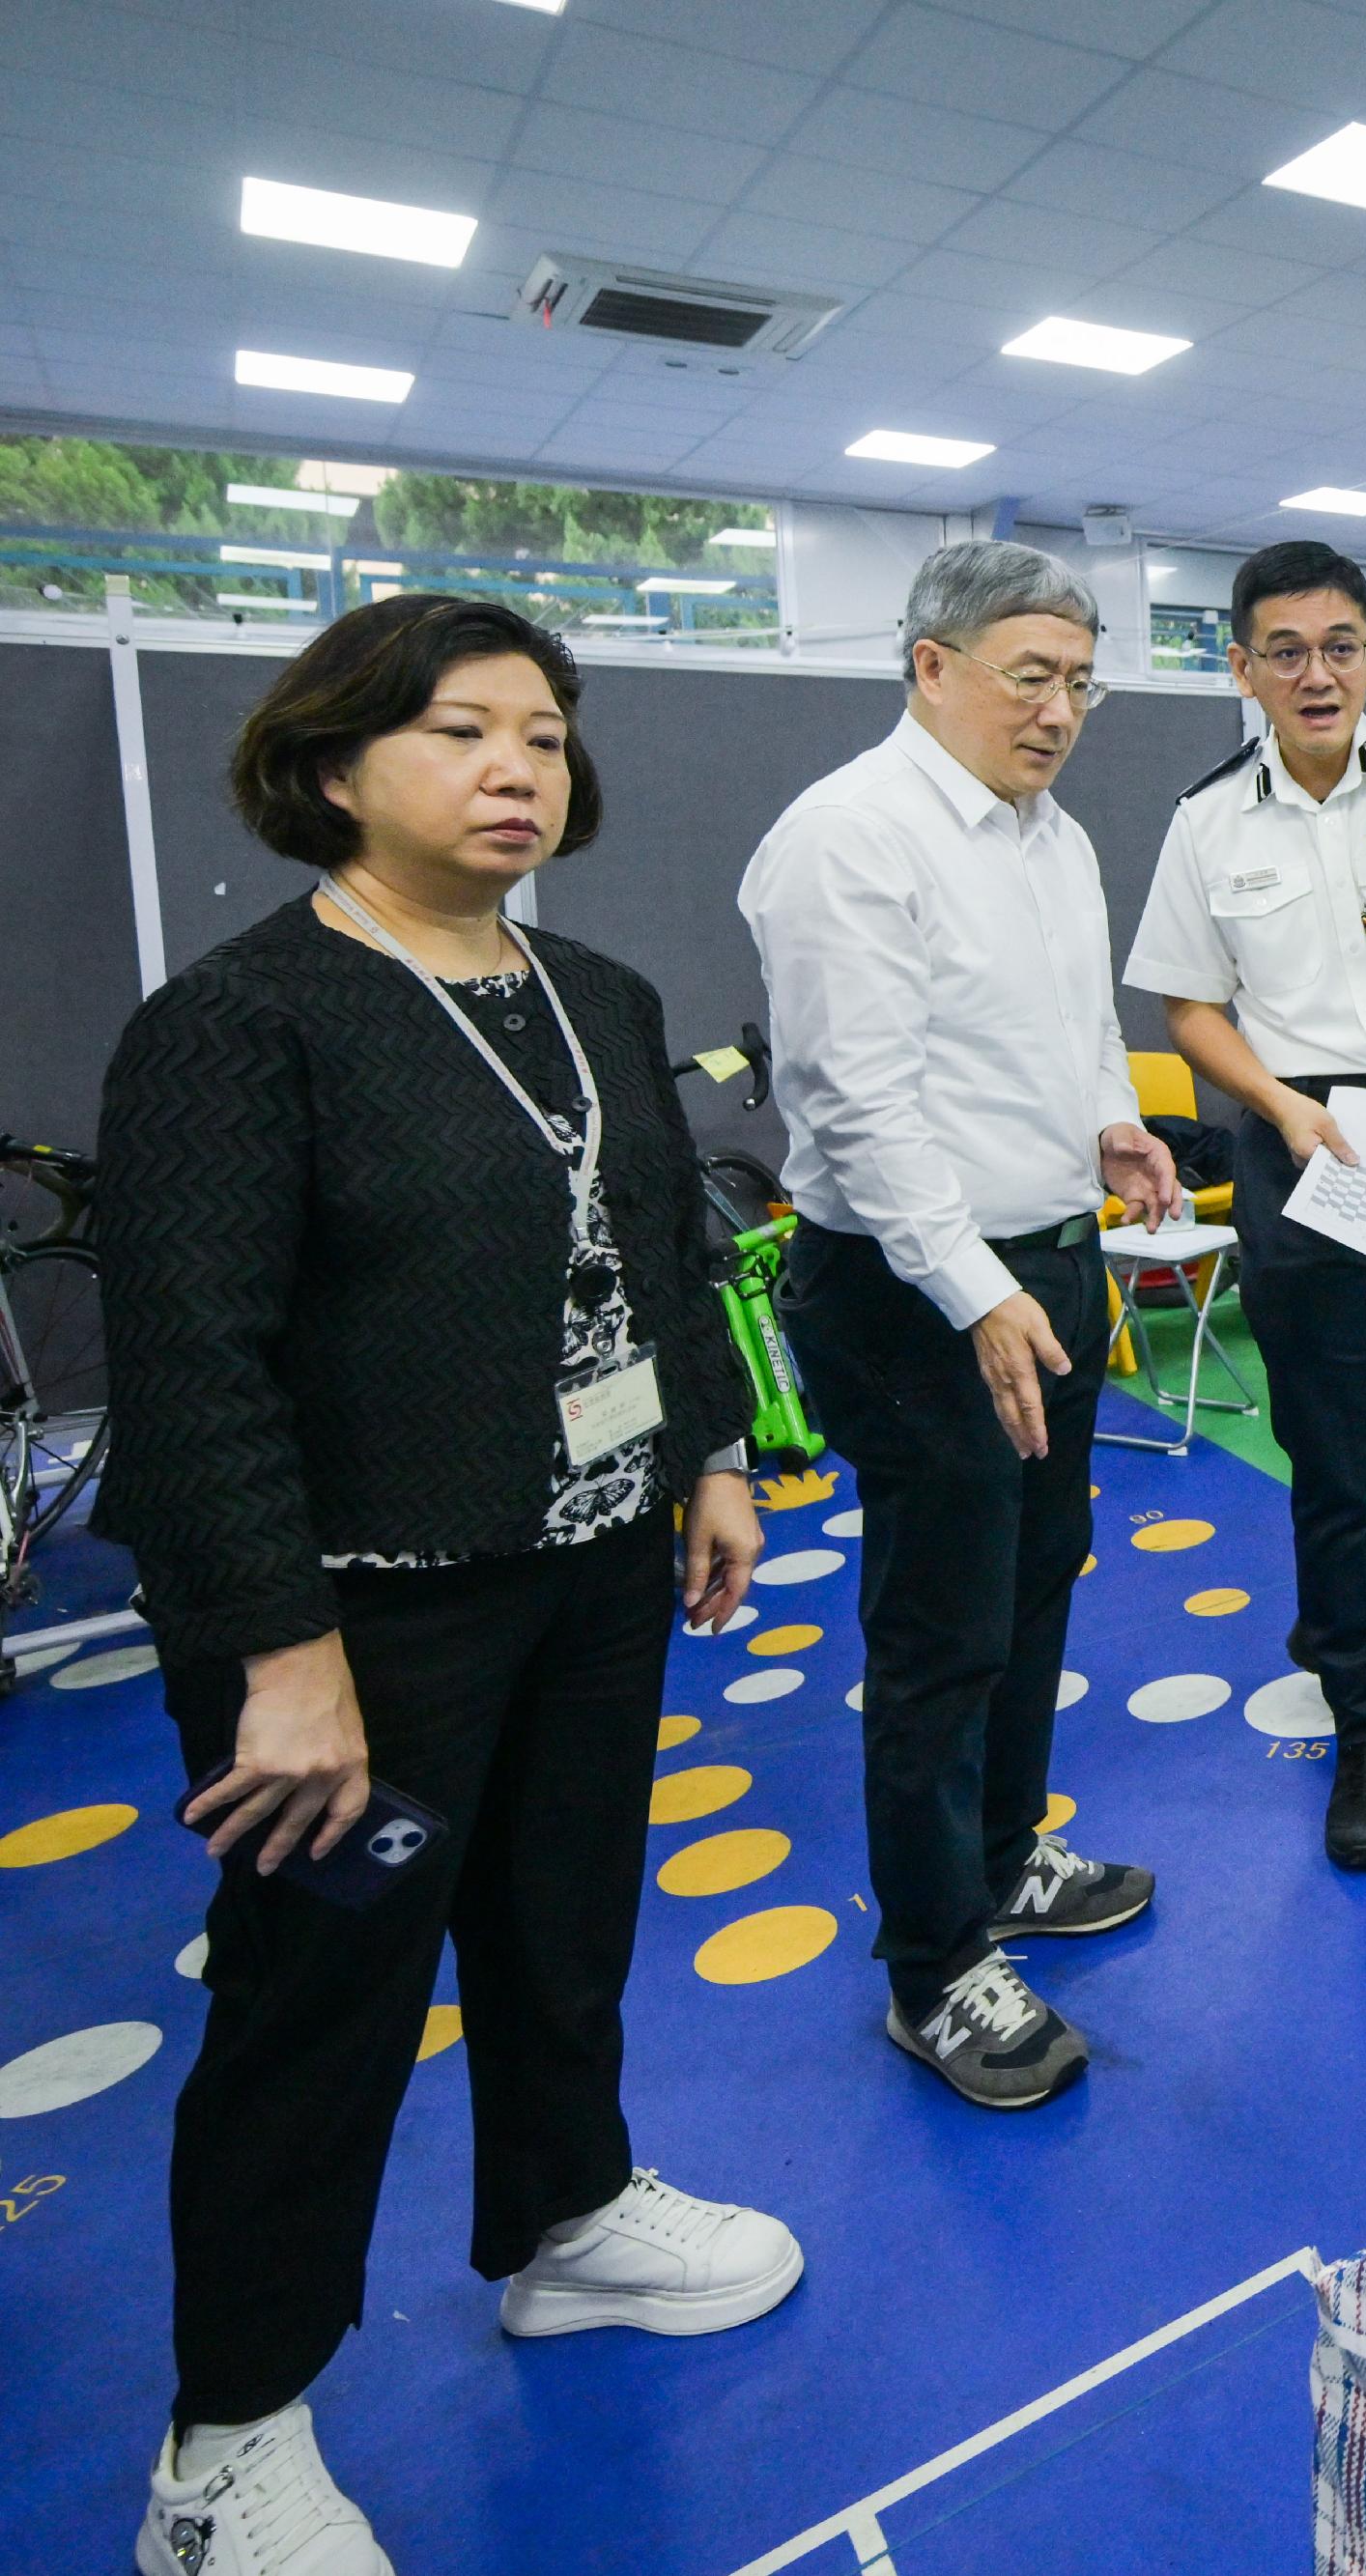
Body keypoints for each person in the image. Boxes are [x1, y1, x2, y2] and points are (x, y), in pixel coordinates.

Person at [97, 595, 798, 2576]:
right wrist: (280, 1653)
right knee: (318, 2007)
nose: (518, 769)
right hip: (359, 1621)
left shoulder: (599, 995)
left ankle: (568, 2220)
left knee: (564, 1925)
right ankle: (225, 2444)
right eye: (463, 732)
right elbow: (191, 1369)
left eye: (545, 736)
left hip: (589, 1574)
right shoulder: (240, 1023)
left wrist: (711, 1454)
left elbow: (661, 1254)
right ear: (333, 767)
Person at [740, 541, 1182, 2110]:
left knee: (1038, 1575)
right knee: (941, 1630)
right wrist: (975, 1285)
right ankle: (934, 1965)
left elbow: (1074, 1025)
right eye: (1031, 677)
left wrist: (1112, 1121)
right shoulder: (847, 839)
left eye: (1081, 684)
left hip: (1045, 1262)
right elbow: (856, 1102)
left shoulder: (1054, 837)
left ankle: (1004, 1858)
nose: (1059, 710)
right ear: (931, 665)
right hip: (914, 1290)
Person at [1123, 541, 1366, 1869]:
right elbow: (1187, 1005)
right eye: (1284, 651)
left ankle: (1354, 1633)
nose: (1316, 673)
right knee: (1337, 1440)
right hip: (1304, 1134)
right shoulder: (1206, 821)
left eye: (1341, 645)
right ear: (1241, 669)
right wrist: (1281, 1108)